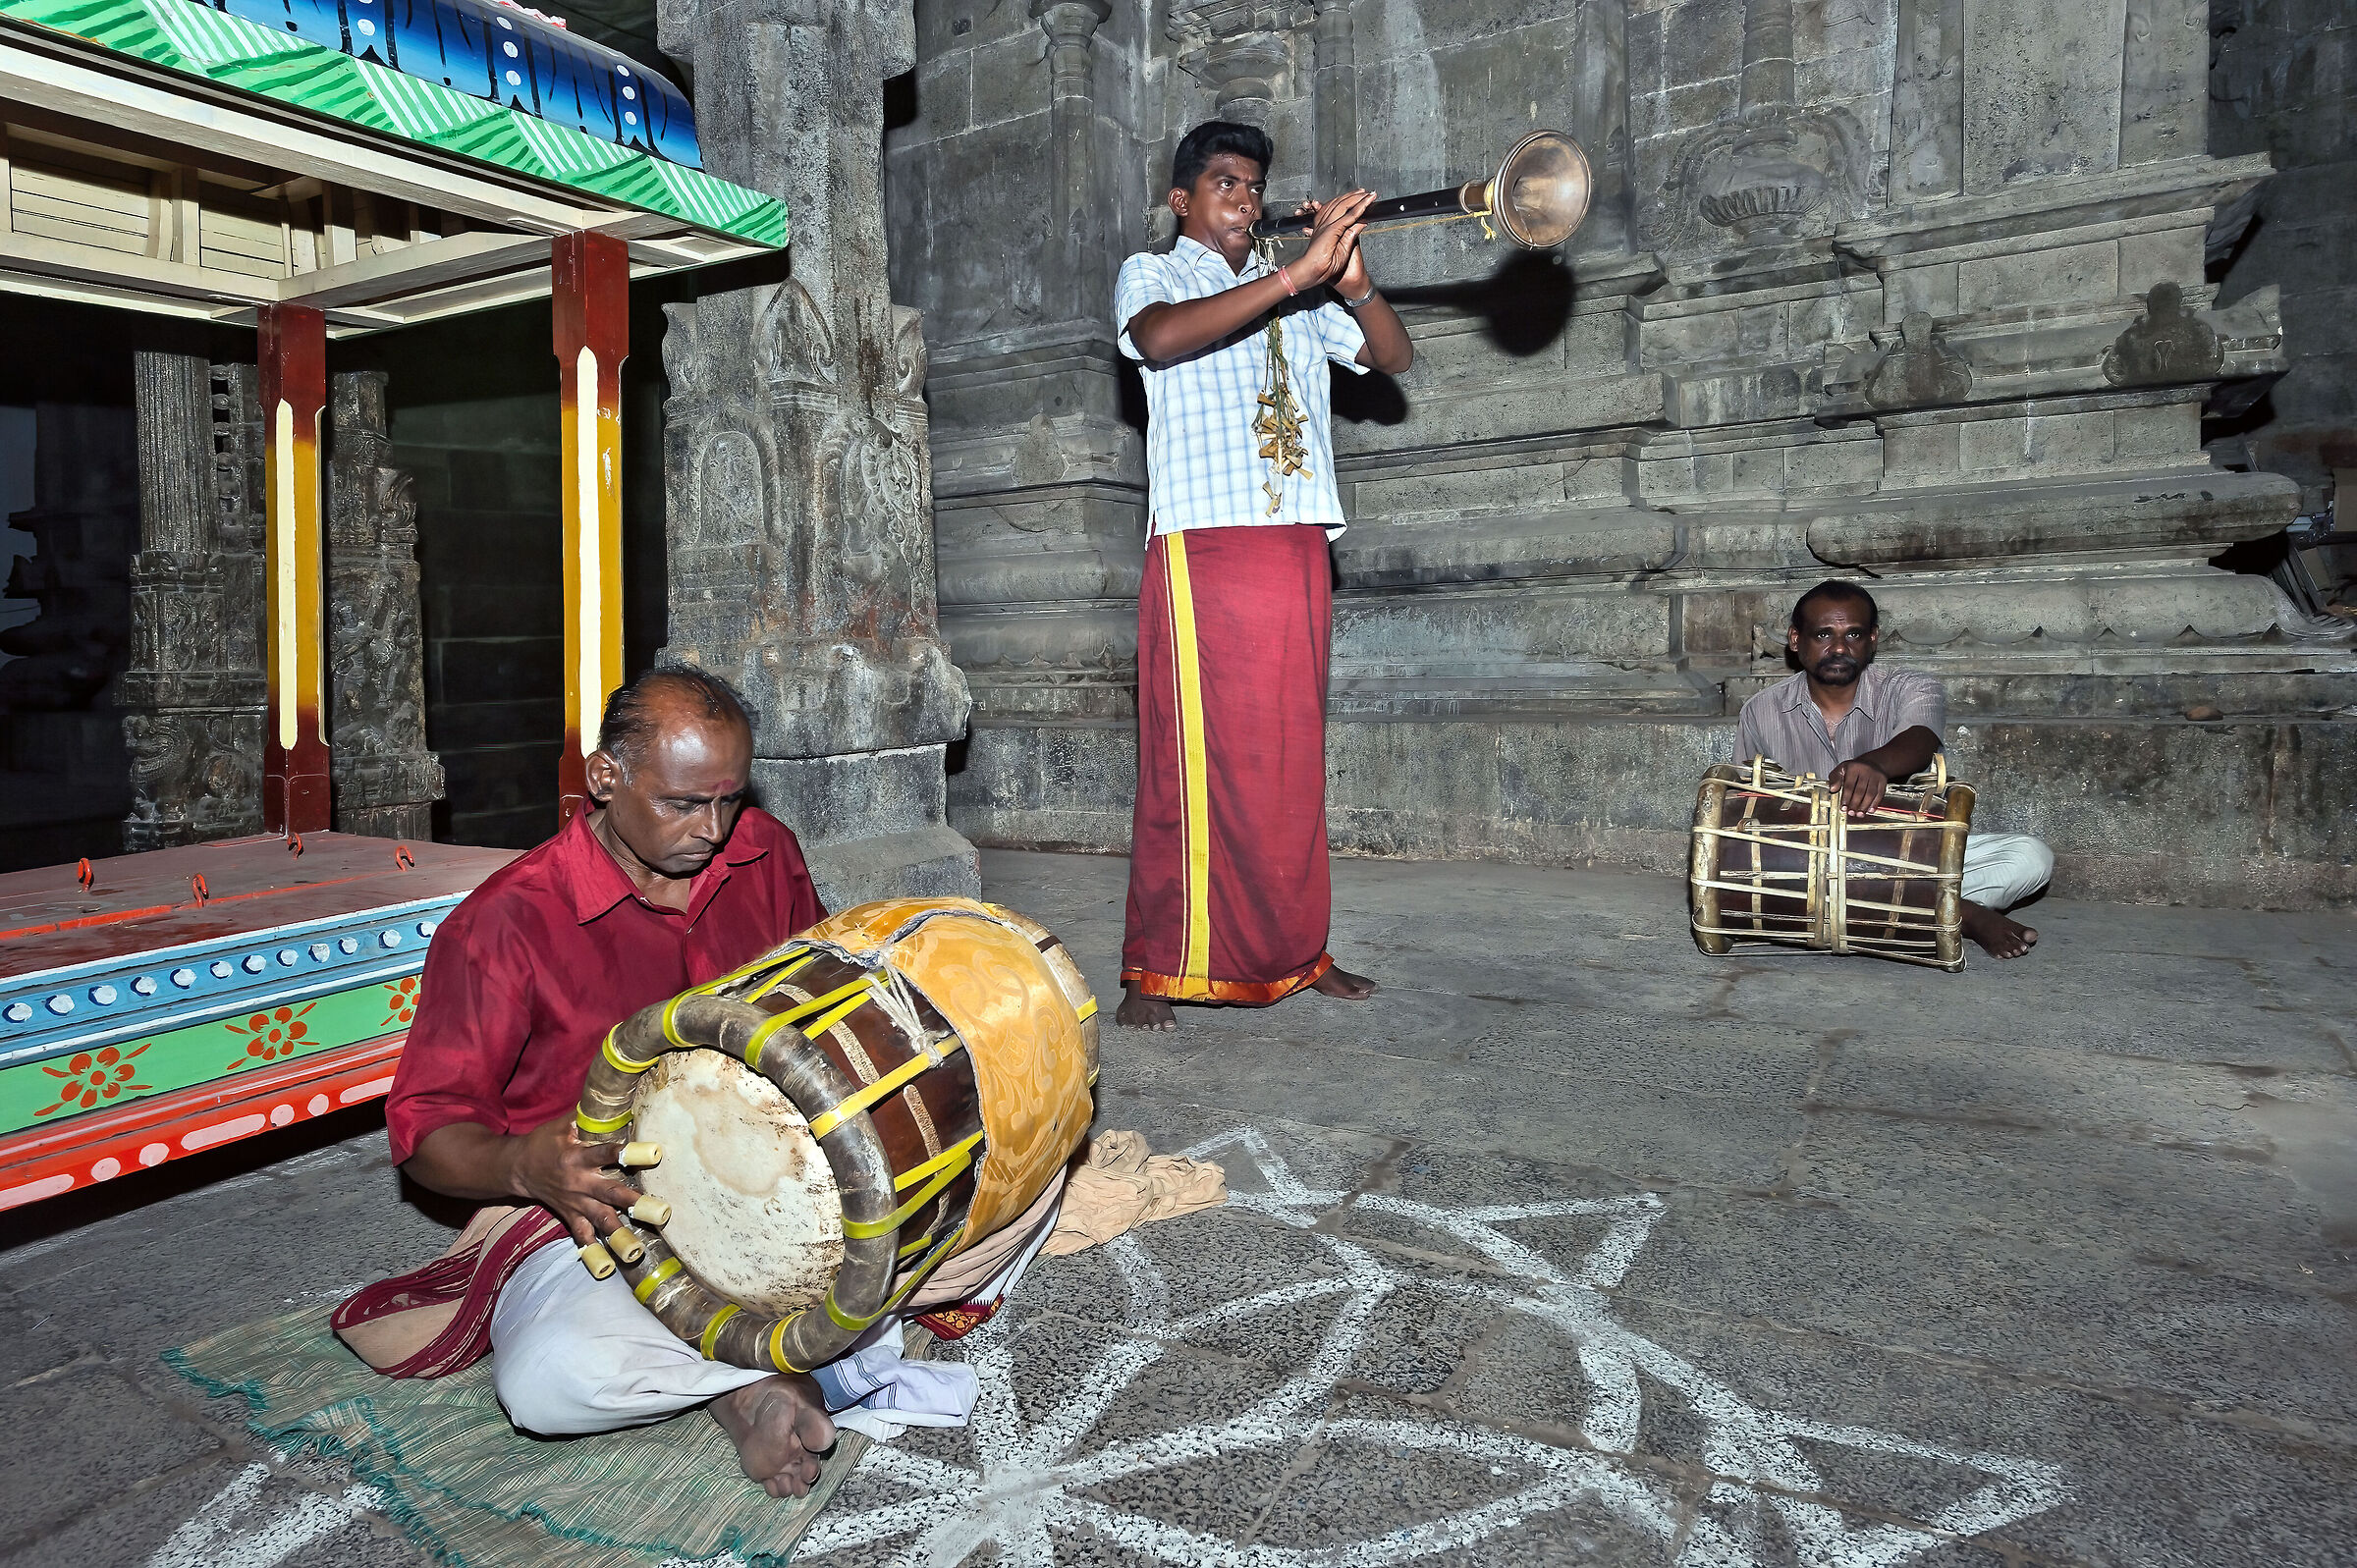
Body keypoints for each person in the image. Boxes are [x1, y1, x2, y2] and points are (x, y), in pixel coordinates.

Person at [340, 668, 1057, 1498]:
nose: (712, 828)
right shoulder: (506, 921)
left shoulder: (765, 850)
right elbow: (427, 1133)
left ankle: (752, 1376)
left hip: (782, 1181)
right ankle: (774, 1372)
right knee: (546, 1382)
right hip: (607, 1214)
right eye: (683, 803)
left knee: (1014, 1181)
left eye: (728, 798)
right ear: (605, 777)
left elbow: (827, 1011)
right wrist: (524, 1167)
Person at [1112, 120, 1414, 1030]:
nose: (1244, 200)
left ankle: (1297, 947)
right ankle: (1156, 968)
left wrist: (1354, 286)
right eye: (1225, 185)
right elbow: (1159, 343)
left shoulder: (1297, 289)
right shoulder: (1153, 271)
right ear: (1183, 202)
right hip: (1205, 546)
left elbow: (1393, 359)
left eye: (1253, 187)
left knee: (1288, 761)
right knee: (1189, 762)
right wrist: (1296, 276)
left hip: (1294, 545)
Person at [1736, 581, 2055, 959]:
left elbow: (1920, 738)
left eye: (1853, 634)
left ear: (1872, 639)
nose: (1839, 647)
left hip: (1910, 855)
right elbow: (1746, 806)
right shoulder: (1760, 710)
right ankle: (1955, 913)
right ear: (1795, 639)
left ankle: (1864, 913)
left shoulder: (1912, 688)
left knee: (2031, 858)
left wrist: (1876, 764)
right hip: (1809, 860)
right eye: (1823, 634)